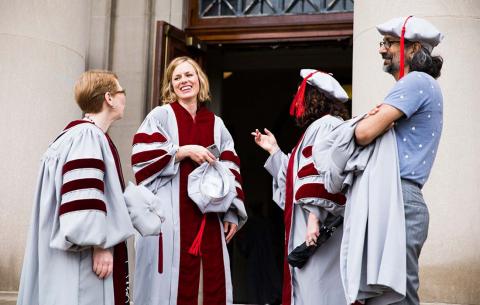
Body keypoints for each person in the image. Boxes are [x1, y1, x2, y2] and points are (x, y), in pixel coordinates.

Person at [132, 56, 247, 305]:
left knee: (208, 284)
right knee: (170, 287)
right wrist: (182, 151)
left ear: (199, 79)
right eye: (177, 78)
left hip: (208, 218)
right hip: (171, 217)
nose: (184, 81)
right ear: (170, 86)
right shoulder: (161, 116)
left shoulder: (216, 124)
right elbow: (141, 159)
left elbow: (231, 166)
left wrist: (231, 213)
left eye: (189, 74)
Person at [17, 70, 134, 305]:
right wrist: (99, 244)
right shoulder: (87, 136)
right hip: (83, 259)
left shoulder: (74, 135)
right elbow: (84, 199)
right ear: (109, 98)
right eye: (121, 92)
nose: (124, 98)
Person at [354, 16, 444, 305]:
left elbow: (364, 133)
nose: (382, 49)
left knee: (394, 298)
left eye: (390, 43)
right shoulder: (420, 85)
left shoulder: (416, 81)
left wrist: (365, 122)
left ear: (413, 47)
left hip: (399, 198)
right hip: (398, 196)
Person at [252, 69, 351, 305]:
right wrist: (274, 151)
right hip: (309, 226)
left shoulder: (326, 126)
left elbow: (320, 175)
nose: (297, 97)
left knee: (319, 290)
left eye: (300, 92)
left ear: (313, 97)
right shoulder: (316, 128)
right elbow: (297, 182)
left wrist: (314, 218)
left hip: (317, 230)